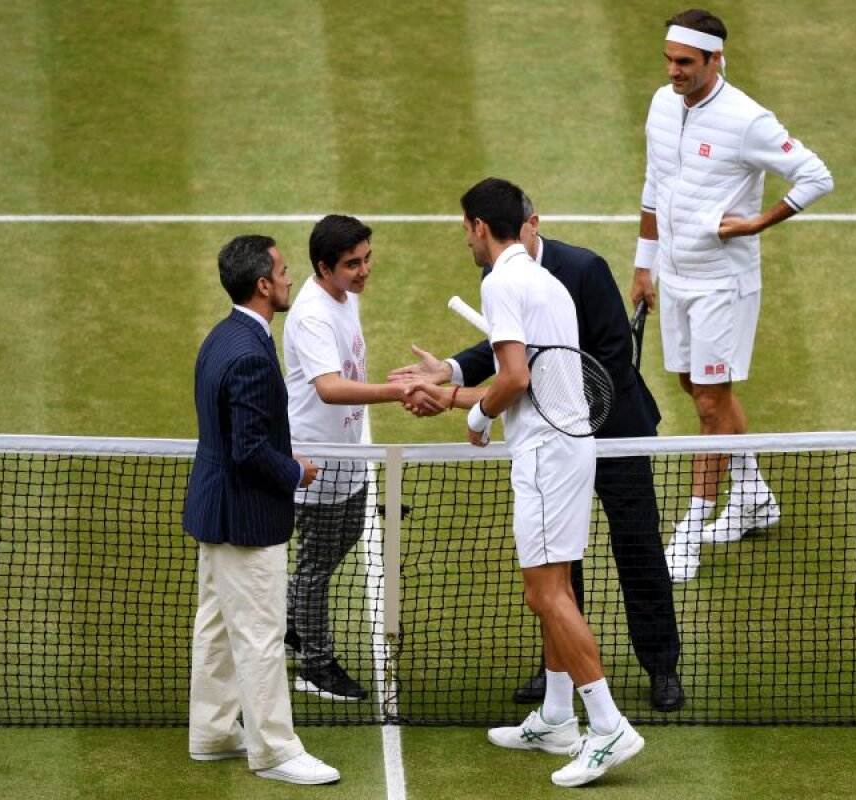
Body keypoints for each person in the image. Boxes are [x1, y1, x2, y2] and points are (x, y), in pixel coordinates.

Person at [390, 193, 683, 712]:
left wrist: (533, 399)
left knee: (636, 544)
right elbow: (508, 349)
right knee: (559, 561)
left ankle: (661, 666)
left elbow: (614, 357)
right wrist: (453, 371)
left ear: (531, 225)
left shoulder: (582, 269)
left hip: (613, 429)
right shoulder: (504, 278)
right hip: (559, 428)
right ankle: (562, 678)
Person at [418, 178, 645, 788]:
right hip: (571, 446)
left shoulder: (500, 284)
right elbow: (529, 376)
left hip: (545, 455)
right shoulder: (547, 283)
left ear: (478, 227)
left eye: (465, 229)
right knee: (554, 586)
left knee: (546, 593)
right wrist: (461, 398)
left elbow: (514, 378)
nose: (465, 238)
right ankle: (554, 717)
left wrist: (472, 412)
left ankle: (607, 725)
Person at [631, 9, 834, 581]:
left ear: (716, 60)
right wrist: (644, 265)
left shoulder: (748, 120)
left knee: (708, 407)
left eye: (685, 63)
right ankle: (752, 495)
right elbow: (655, 184)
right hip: (674, 276)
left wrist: (757, 222)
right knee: (694, 387)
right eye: (668, 60)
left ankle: (690, 533)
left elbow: (816, 175)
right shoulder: (661, 103)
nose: (673, 71)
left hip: (723, 283)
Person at [182, 234, 340, 785]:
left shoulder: (224, 336)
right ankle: (274, 749)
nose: (291, 277)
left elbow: (234, 437)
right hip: (246, 518)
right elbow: (249, 450)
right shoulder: (251, 353)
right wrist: (295, 470)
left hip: (215, 510)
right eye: (284, 270)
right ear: (262, 285)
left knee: (218, 626)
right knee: (259, 634)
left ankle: (214, 732)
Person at [282, 214, 440, 702]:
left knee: (342, 538)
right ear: (323, 267)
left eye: (368, 258)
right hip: (317, 462)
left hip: (347, 456)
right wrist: (399, 392)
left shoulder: (344, 297)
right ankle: (315, 662)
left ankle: (290, 622)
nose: (365, 270)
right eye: (353, 264)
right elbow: (329, 388)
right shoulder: (310, 316)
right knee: (315, 567)